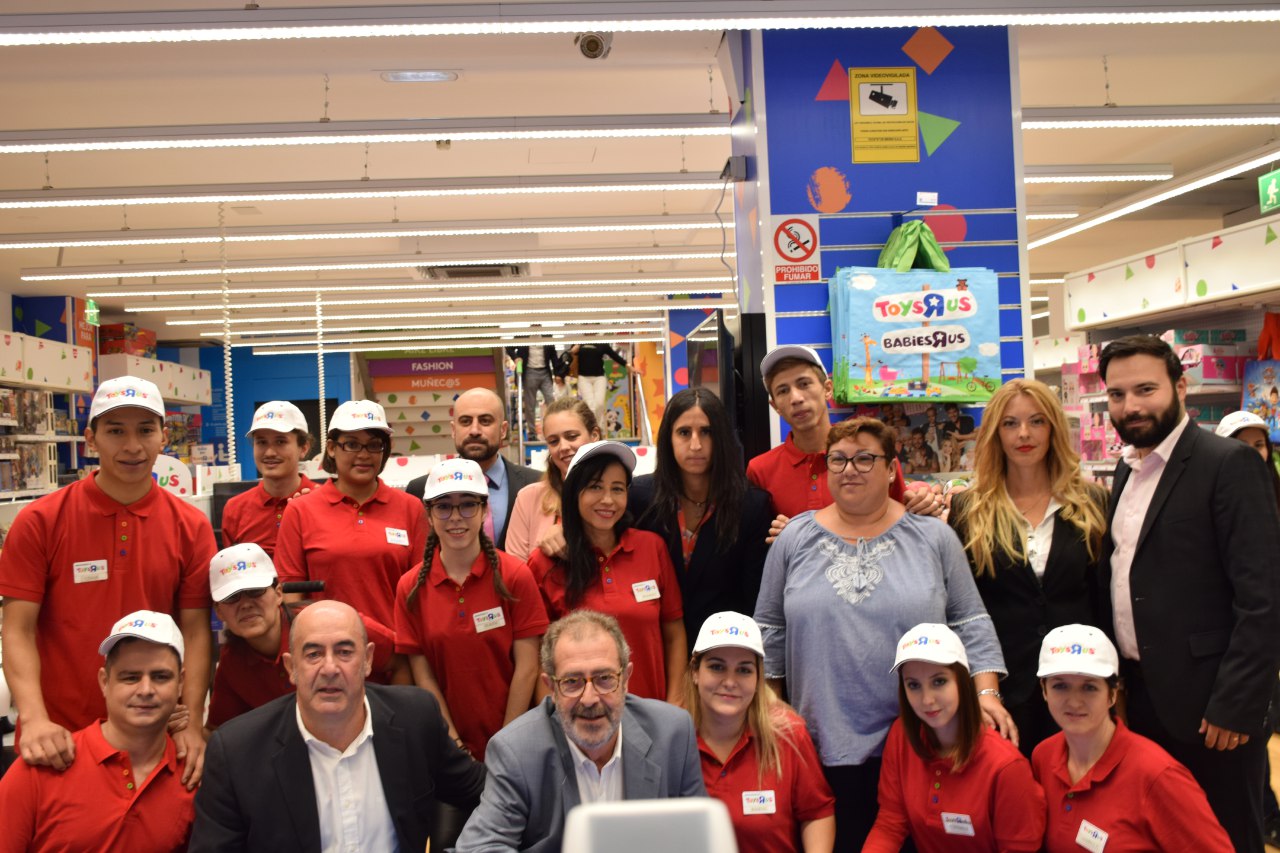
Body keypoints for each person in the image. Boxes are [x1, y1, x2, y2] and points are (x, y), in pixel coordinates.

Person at [754, 416, 1007, 849]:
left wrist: (986, 696)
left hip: (923, 743)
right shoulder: (794, 539)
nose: (849, 468)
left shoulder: (933, 537)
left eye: (864, 458)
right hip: (817, 746)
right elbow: (769, 632)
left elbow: (970, 621)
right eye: (838, 459)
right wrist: (771, 715)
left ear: (892, 469)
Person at [1098, 334, 1280, 850]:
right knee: (1160, 833)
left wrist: (1236, 704)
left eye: (1145, 389)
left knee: (1224, 834)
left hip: (1211, 707)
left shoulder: (1228, 465)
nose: (1130, 406)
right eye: (1116, 395)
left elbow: (1263, 597)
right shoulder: (1126, 469)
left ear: (1182, 386)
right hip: (1143, 698)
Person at [0, 375, 215, 788]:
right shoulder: (40, 521)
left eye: (145, 430)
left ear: (163, 437)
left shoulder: (190, 527)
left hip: (155, 739)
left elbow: (196, 633)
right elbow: (18, 629)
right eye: (116, 431)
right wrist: (35, 718)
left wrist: (192, 720)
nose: (132, 446)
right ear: (91, 439)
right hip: (59, 741)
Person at [191, 600, 486, 852]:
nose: (330, 669)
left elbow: (482, 791)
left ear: (368, 660)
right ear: (291, 668)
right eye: (313, 654)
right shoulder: (237, 753)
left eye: (345, 652)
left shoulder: (415, 719)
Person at [451, 610, 706, 852]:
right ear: (550, 686)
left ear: (626, 679)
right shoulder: (516, 751)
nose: (589, 698)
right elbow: (479, 846)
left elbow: (698, 839)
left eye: (605, 678)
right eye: (572, 682)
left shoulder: (672, 733)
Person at [947, 378, 1109, 755]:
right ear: (994, 434)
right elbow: (965, 608)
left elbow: (1104, 599)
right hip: (1003, 690)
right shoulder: (969, 510)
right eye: (1010, 423)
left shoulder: (1094, 502)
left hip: (1080, 685)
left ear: (1053, 428)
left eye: (1036, 421)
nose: (1024, 434)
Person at [0, 610, 196, 852]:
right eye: (130, 677)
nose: (146, 689)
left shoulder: (193, 775)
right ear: (105, 682)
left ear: (180, 683)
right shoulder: (39, 770)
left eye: (160, 676)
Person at [395, 457, 550, 760]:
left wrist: (506, 742)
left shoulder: (515, 575)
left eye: (468, 504)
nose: (456, 517)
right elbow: (424, 678)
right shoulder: (410, 588)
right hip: (448, 749)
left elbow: (528, 666)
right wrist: (455, 746)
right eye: (443, 506)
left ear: (484, 510)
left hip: (517, 742)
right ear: (428, 515)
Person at [1031, 624, 1232, 852]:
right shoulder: (1043, 756)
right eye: (1060, 686)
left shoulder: (1158, 775)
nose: (1074, 701)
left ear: (1112, 694)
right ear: (1044, 691)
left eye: (1089, 687)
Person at [864, 622, 1045, 852]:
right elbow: (890, 824)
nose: (927, 699)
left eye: (939, 681)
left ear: (962, 680)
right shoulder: (902, 736)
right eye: (914, 685)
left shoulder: (1006, 767)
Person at [528, 441, 686, 703]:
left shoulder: (651, 547)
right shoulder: (544, 563)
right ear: (573, 492)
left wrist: (675, 705)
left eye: (617, 489)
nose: (608, 500)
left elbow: (674, 633)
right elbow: (537, 660)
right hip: (582, 719)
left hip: (652, 716)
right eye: (595, 487)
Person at [630, 388, 774, 652]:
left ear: (721, 438)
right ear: (668, 439)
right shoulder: (639, 498)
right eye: (684, 433)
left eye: (706, 432)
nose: (695, 445)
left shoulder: (751, 506)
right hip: (653, 652)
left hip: (723, 653)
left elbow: (755, 601)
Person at [205, 542, 403, 730]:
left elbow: (401, 658)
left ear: (279, 593)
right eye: (231, 597)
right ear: (219, 611)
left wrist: (390, 726)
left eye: (255, 591)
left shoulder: (332, 623)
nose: (246, 604)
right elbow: (216, 729)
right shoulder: (232, 662)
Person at [746, 345, 936, 539]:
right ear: (775, 405)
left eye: (804, 384)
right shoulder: (760, 470)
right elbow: (759, 543)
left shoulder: (871, 454)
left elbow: (903, 519)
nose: (796, 398)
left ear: (827, 389)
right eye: (783, 391)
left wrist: (922, 504)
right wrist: (781, 542)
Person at [687, 611, 835, 853]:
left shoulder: (789, 734)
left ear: (758, 677)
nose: (730, 681)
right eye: (717, 667)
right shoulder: (674, 738)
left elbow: (817, 813)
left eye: (744, 670)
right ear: (695, 671)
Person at [275, 399, 427, 628]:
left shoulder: (411, 508)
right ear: (332, 448)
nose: (364, 454)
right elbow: (291, 596)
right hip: (327, 653)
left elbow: (421, 592)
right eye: (352, 444)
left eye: (374, 444)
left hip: (397, 653)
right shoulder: (300, 510)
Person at [405, 387, 541, 551]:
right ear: (454, 430)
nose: (475, 431)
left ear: (503, 430)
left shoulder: (537, 485)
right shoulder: (419, 490)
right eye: (465, 421)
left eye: (485, 421)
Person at [504, 396, 602, 562]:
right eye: (554, 441)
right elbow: (515, 574)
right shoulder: (529, 498)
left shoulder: (621, 492)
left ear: (594, 435)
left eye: (572, 436)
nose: (563, 447)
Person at [220, 400, 317, 555]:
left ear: (303, 448)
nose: (270, 452)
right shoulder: (235, 509)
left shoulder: (324, 501)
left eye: (280, 441)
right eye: (262, 442)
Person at [569, 341, 634, 426]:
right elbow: (567, 358)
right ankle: (594, 428)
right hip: (583, 378)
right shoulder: (579, 342)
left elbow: (614, 356)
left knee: (599, 404)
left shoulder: (601, 342)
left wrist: (629, 366)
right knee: (590, 405)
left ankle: (597, 427)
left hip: (599, 377)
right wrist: (572, 352)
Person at [510, 345, 559, 438]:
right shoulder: (523, 335)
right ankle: (532, 433)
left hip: (545, 372)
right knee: (530, 405)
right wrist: (515, 358)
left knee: (551, 401)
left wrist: (559, 373)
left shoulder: (546, 336)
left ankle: (555, 428)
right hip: (529, 371)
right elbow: (508, 346)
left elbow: (553, 356)